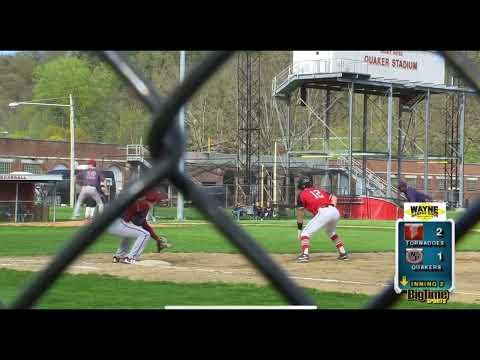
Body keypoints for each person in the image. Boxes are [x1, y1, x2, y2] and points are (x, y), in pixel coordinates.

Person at [296, 176, 349, 263]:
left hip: (323, 211)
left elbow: (300, 213)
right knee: (330, 232)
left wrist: (299, 229)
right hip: (334, 211)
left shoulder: (301, 194)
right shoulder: (319, 191)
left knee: (305, 233)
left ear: (302, 186)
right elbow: (334, 197)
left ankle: (305, 255)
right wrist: (331, 207)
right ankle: (343, 253)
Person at [108, 191, 170, 264]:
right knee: (145, 234)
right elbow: (138, 222)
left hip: (111, 223)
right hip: (117, 222)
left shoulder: (142, 204)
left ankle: (119, 256)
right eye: (158, 201)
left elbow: (142, 223)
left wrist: (157, 239)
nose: (159, 203)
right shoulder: (143, 204)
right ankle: (131, 258)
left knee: (131, 232)